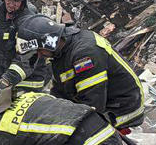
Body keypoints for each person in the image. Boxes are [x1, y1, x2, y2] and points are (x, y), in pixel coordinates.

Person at [16, 14, 145, 131]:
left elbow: (93, 102)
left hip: (123, 108)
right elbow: (59, 92)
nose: (39, 54)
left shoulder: (85, 54)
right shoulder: (61, 52)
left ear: (49, 42)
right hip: (103, 102)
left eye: (39, 49)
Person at [0, 0, 49, 92]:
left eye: (16, 1)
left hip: (27, 83)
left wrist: (6, 81)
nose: (11, 4)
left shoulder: (29, 23)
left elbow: (25, 59)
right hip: (4, 78)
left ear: (23, 0)